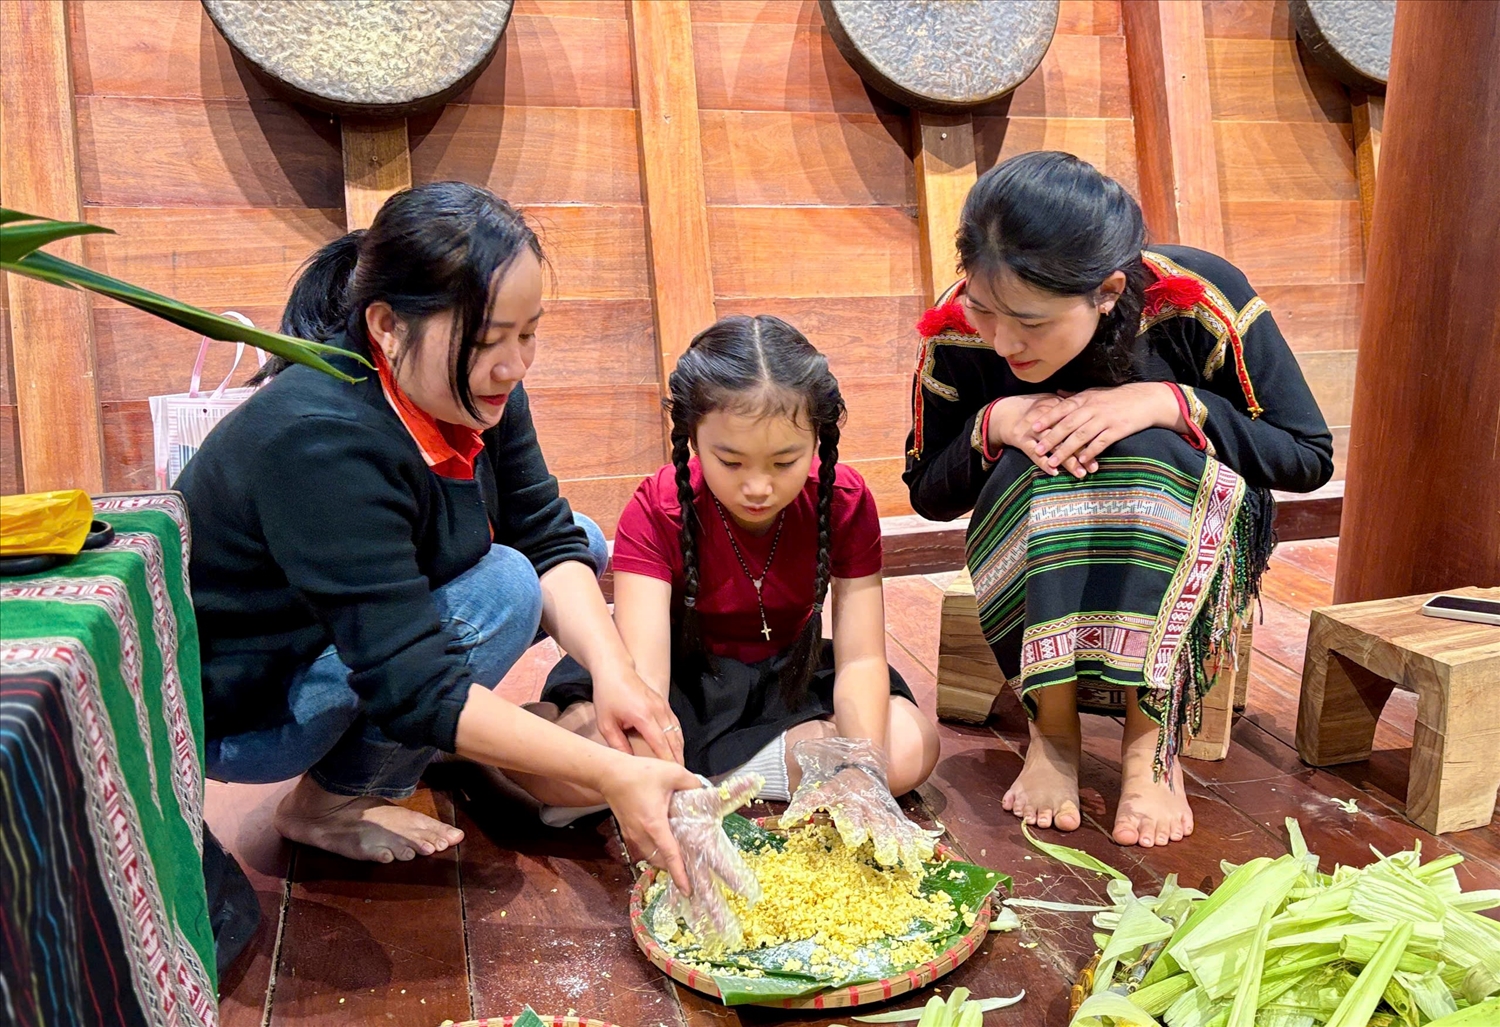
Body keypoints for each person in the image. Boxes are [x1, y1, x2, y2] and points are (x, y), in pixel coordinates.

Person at [177, 182, 700, 888]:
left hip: (343, 640)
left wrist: (615, 674)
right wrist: (614, 771)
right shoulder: (318, 440)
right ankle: (328, 803)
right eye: (490, 340)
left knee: (577, 538)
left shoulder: (472, 384)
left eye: (528, 331)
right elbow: (411, 679)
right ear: (388, 325)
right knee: (507, 590)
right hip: (251, 704)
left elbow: (545, 531)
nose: (515, 363)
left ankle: (432, 747)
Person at [904, 151, 1333, 848]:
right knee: (1043, 450)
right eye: (985, 308)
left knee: (1141, 452)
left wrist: (1170, 403)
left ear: (1105, 291)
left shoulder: (1199, 298)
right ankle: (1054, 732)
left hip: (1181, 519)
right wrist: (994, 423)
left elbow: (1308, 455)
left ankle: (1150, 740)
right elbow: (927, 492)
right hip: (1040, 525)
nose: (1003, 339)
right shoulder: (960, 328)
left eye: (1032, 322)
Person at [528, 315, 942, 868]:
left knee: (913, 744)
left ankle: (706, 785)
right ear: (691, 436)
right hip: (678, 688)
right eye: (730, 460)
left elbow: (863, 658)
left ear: (819, 437)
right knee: (569, 763)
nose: (757, 486)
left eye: (785, 461)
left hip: (786, 681)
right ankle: (707, 779)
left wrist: (860, 771)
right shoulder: (660, 508)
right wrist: (653, 777)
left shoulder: (843, 499)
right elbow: (645, 683)